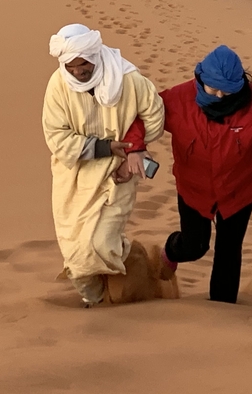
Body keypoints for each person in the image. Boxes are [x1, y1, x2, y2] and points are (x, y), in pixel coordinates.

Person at [157, 45, 252, 304]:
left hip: (240, 188)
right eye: (213, 87)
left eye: (227, 89)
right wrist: (135, 150)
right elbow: (139, 115)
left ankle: (222, 313)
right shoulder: (176, 99)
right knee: (195, 246)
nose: (220, 95)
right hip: (194, 188)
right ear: (200, 78)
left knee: (229, 251)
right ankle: (170, 252)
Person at [43, 24, 165, 307]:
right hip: (73, 174)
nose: (77, 71)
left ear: (95, 55)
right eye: (70, 65)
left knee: (100, 244)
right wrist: (101, 147)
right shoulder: (58, 85)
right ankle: (96, 301)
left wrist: (135, 150)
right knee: (73, 252)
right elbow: (56, 137)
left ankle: (135, 263)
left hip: (119, 172)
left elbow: (154, 116)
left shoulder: (129, 80)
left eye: (82, 64)